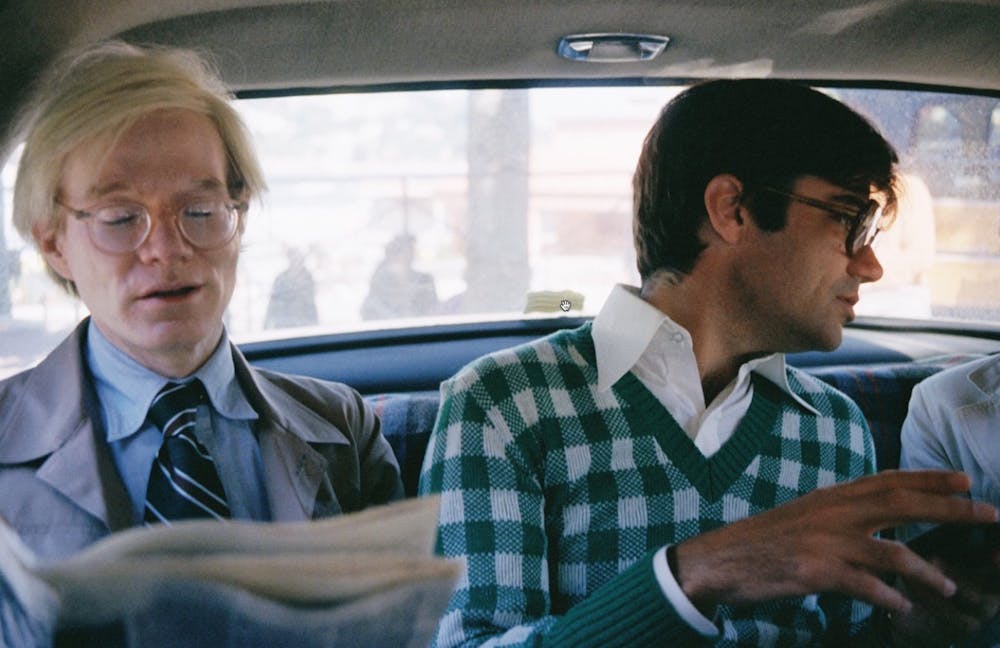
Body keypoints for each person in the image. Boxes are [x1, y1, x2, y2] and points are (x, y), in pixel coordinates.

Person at [419, 79, 998, 646]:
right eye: (849, 220)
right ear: (733, 209)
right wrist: (696, 574)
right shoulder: (504, 404)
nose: (871, 266)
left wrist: (918, 627)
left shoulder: (834, 429)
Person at [0, 41, 403, 562]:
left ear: (240, 216)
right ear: (54, 243)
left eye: (200, 209)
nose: (167, 251)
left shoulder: (346, 430)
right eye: (121, 218)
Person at [361, 233, 438, 320]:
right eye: (405, 251)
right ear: (392, 256)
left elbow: (434, 311)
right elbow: (369, 312)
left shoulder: (425, 280)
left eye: (411, 251)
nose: (409, 256)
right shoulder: (379, 286)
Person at [264, 246, 319, 329]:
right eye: (294, 259)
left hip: (305, 326)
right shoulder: (280, 279)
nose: (296, 262)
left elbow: (311, 304)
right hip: (283, 326)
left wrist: (315, 325)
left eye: (298, 259)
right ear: (290, 260)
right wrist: (266, 325)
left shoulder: (308, 278)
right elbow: (272, 305)